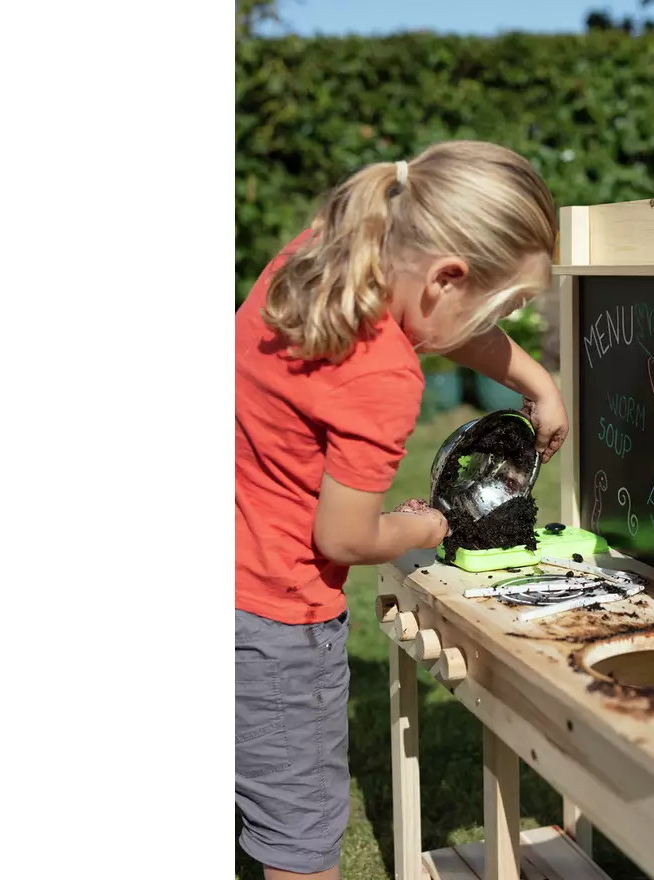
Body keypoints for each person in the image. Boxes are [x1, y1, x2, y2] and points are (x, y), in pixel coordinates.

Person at [235, 140, 566, 880]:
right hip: (275, 621)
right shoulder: (383, 374)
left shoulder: (318, 261)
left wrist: (537, 382)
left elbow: (448, 324)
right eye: (504, 308)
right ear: (447, 277)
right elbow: (345, 536)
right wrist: (426, 524)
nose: (503, 322)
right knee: (297, 840)